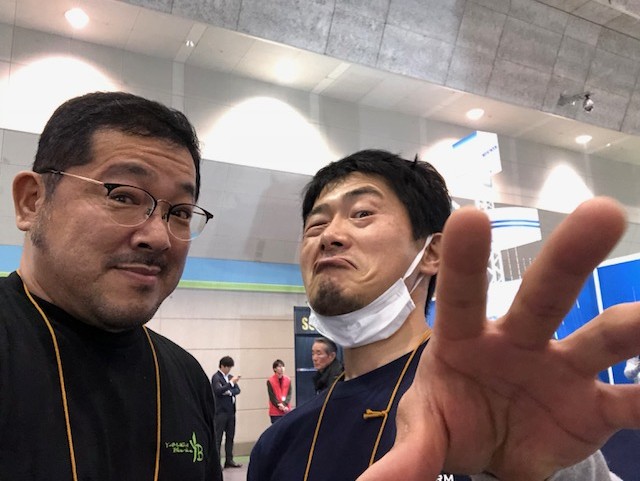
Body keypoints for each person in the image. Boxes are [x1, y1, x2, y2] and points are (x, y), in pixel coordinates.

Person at [248, 149, 638, 481]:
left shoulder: (491, 390)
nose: (329, 236)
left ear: (432, 252)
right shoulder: (279, 443)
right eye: (316, 224)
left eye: (362, 213)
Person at [0, 91, 221, 480]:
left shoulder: (186, 377)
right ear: (32, 202)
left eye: (181, 212)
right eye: (122, 196)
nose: (159, 237)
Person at [211, 355, 242, 468]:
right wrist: (230, 384)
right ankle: (216, 462)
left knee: (230, 437)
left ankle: (229, 460)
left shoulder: (230, 377)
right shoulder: (216, 377)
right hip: (221, 412)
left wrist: (229, 391)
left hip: (231, 412)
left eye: (230, 367)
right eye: (227, 367)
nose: (229, 370)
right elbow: (218, 390)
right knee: (218, 438)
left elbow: (237, 390)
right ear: (222, 366)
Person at [267, 359, 292, 423]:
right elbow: (272, 396)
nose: (282, 368)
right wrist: (279, 405)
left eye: (283, 366)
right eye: (279, 366)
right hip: (275, 412)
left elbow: (289, 394)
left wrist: (284, 405)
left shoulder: (288, 380)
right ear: (274, 369)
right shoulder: (270, 381)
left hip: (286, 410)